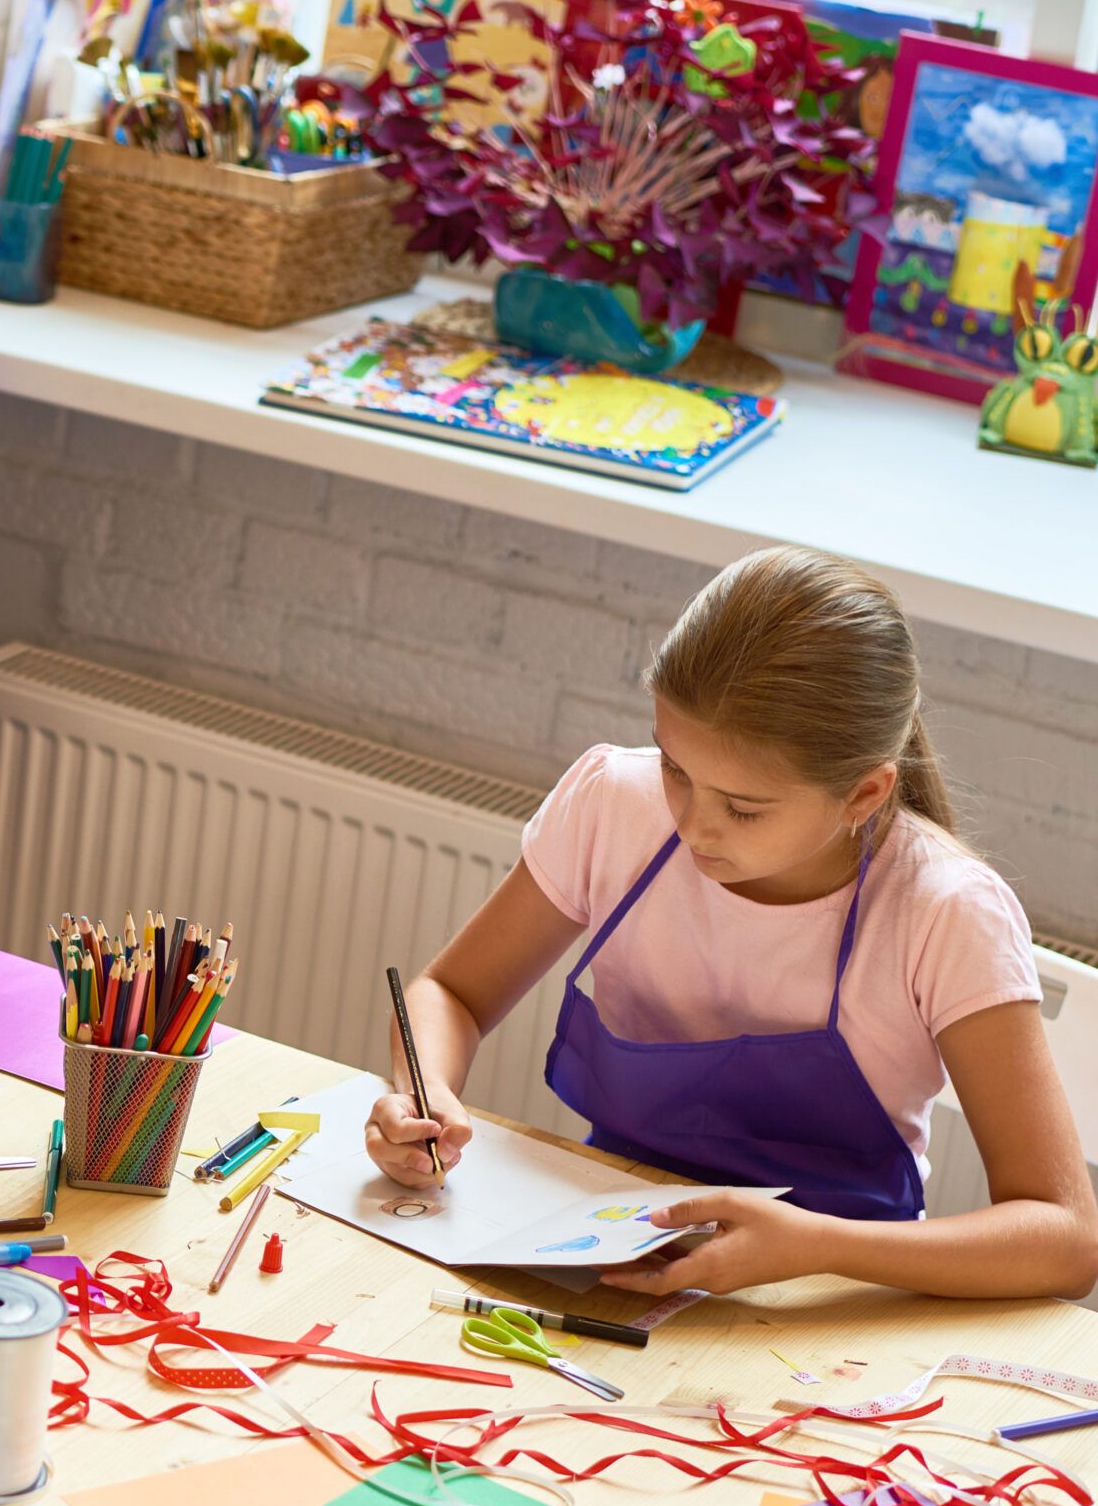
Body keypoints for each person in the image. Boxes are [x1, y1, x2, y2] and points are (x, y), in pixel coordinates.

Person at [366, 549, 1096, 1299]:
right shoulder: (613, 805)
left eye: (743, 807)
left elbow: (1066, 1234)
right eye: (675, 767)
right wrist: (425, 1096)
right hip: (610, 1254)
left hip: (837, 1293)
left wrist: (818, 1245)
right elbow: (451, 991)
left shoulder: (943, 911)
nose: (692, 827)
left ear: (864, 793)